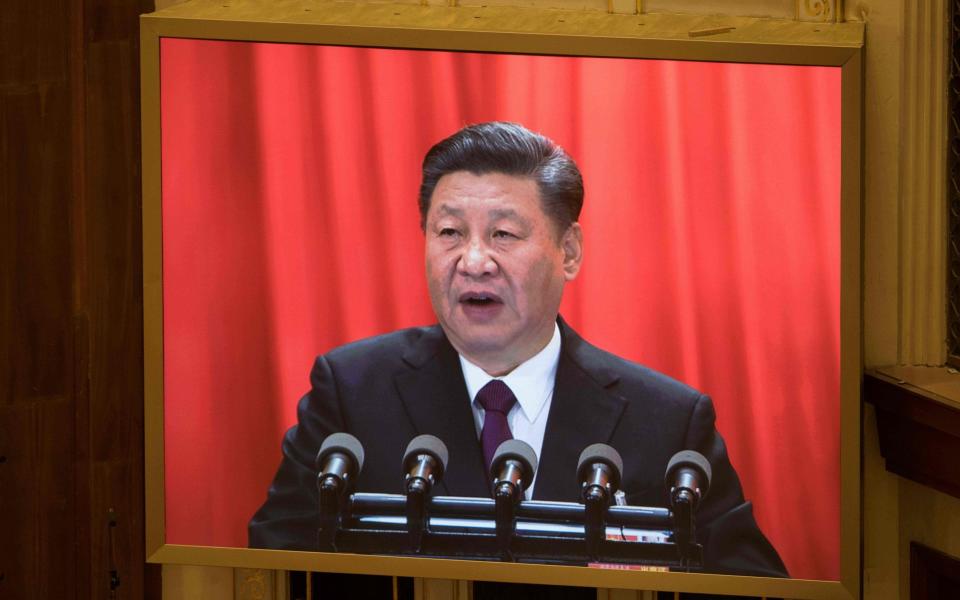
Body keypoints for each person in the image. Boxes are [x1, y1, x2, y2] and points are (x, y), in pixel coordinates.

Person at [249, 122, 787, 594]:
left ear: (569, 251)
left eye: (503, 234)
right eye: (450, 233)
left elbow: (754, 586)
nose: (474, 261)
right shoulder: (351, 392)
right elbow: (270, 567)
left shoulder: (667, 421)